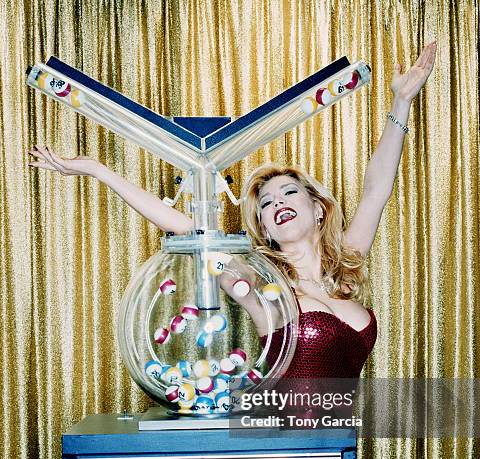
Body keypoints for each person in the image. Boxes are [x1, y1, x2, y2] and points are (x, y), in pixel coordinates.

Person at [29, 42, 437, 382]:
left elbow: (376, 190)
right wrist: (100, 171)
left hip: (340, 444)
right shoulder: (261, 285)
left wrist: (401, 101)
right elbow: (193, 231)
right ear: (262, 225)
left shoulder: (346, 266)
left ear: (318, 209)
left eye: (288, 193)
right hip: (280, 448)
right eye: (266, 203)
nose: (277, 204)